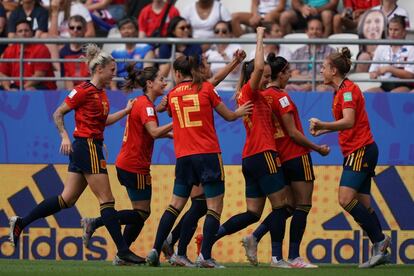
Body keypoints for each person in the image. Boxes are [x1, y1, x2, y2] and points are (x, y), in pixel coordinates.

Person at [8, 44, 144, 265]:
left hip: (91, 145)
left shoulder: (101, 94)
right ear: (99, 69)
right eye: (111, 69)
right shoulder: (83, 90)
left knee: (67, 199)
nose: (114, 73)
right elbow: (58, 112)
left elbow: (103, 121)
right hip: (86, 146)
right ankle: (122, 251)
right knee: (107, 200)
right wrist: (64, 136)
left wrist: (126, 112)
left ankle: (21, 222)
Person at [146, 54, 253, 268]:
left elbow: (164, 109)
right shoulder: (205, 88)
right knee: (214, 206)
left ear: (177, 74)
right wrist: (239, 112)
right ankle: (204, 256)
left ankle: (156, 249)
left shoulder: (174, 94)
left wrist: (161, 105)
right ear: (195, 70)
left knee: (177, 204)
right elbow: (229, 116)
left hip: (184, 156)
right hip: (207, 154)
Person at [241, 54, 330, 268]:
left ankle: (257, 236)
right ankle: (293, 256)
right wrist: (317, 148)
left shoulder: (263, 95)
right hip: (296, 155)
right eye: (288, 72)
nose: (290, 75)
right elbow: (292, 132)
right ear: (280, 74)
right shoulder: (281, 97)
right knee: (303, 206)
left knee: (286, 207)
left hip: (278, 156)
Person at [80, 65, 173, 265]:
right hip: (135, 165)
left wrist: (176, 133)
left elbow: (148, 129)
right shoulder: (146, 106)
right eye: (161, 79)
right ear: (149, 83)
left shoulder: (142, 102)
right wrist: (179, 121)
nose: (165, 83)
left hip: (127, 163)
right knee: (141, 213)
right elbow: (155, 132)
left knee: (140, 213)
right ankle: (96, 223)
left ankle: (122, 254)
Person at [211, 27, 288, 268]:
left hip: (250, 158)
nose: (267, 79)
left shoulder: (250, 94)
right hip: (263, 154)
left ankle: (209, 240)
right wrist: (260, 36)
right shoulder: (250, 92)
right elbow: (256, 69)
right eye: (264, 76)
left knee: (253, 212)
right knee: (282, 206)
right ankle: (276, 257)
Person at [309, 47, 391, 268]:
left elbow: (349, 121)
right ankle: (379, 248)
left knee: (345, 199)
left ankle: (380, 241)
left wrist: (324, 124)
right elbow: (346, 124)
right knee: (363, 204)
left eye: (324, 67)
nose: (322, 71)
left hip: (360, 150)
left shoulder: (347, 91)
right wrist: (323, 131)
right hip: (358, 150)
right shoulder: (340, 91)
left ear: (334, 70)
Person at [0, 19, 56, 90]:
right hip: (18, 85)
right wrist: (7, 88)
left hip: (41, 85)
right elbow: (2, 73)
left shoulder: (41, 48)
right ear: (16, 34)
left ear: (32, 33)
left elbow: (39, 76)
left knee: (30, 90)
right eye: (20, 31)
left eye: (26, 30)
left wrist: (21, 90)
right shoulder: (10, 50)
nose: (23, 33)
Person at [367, 15, 414, 92]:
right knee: (367, 94)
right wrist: (374, 74)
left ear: (404, 32)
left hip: (404, 85)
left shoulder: (411, 48)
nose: (392, 33)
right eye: (390, 29)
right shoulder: (381, 47)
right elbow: (372, 70)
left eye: (396, 30)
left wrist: (390, 69)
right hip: (384, 85)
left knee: (392, 95)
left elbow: (410, 75)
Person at [288, 16, 335, 92]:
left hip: (323, 85)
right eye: (312, 29)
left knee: (322, 89)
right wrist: (310, 79)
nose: (314, 32)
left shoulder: (331, 52)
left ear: (323, 32)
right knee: (289, 88)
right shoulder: (298, 52)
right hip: (302, 85)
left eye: (318, 29)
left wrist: (312, 82)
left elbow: (331, 76)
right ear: (307, 31)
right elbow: (294, 76)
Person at [110, 17, 154, 90]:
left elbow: (147, 75)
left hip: (140, 88)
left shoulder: (146, 49)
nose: (126, 31)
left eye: (130, 28)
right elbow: (112, 78)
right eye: (123, 28)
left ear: (136, 31)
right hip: (120, 89)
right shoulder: (116, 53)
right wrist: (114, 92)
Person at [205, 20, 242, 90]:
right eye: (217, 31)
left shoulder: (236, 48)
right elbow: (208, 75)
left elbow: (235, 70)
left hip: (232, 89)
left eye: (224, 31)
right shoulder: (210, 52)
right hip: (214, 89)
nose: (220, 33)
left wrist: (225, 56)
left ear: (230, 34)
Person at [59, 15, 90, 90]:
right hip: (70, 91)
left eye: (79, 28)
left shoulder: (92, 51)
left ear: (85, 30)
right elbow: (66, 78)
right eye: (72, 28)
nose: (75, 30)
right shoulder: (63, 52)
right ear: (68, 30)